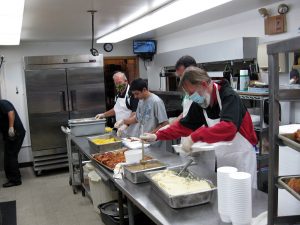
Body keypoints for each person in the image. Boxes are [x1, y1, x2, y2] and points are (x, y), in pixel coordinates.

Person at [141, 66, 258, 187]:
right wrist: (157, 135)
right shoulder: (201, 103)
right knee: (227, 194)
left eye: (192, 93)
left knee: (244, 197)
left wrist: (195, 137)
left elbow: (228, 128)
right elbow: (184, 126)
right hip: (224, 159)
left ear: (203, 84)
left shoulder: (229, 97)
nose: (192, 97)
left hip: (242, 158)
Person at [95, 71, 139, 137]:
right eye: (116, 83)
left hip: (131, 131)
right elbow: (116, 109)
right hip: (120, 130)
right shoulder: (118, 94)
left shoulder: (132, 94)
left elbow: (135, 113)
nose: (118, 85)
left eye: (120, 82)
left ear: (126, 81)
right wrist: (103, 115)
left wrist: (125, 125)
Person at [0, 99, 26, 188]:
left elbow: (11, 112)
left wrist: (11, 128)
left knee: (11, 155)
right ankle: (12, 177)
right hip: (10, 135)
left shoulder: (2, 103)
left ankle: (15, 180)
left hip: (15, 133)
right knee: (9, 155)